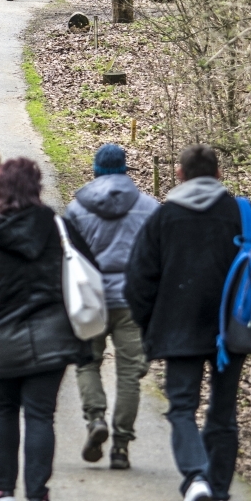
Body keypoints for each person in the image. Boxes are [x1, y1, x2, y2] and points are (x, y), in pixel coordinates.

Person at [125, 143, 251, 501]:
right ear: (218, 175)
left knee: (181, 406)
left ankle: (195, 477)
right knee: (222, 410)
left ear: (179, 175)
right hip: (233, 329)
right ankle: (218, 494)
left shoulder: (163, 219)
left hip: (177, 328)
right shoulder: (243, 214)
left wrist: (150, 327)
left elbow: (137, 282)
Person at [0, 158, 92, 501]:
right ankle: (38, 495)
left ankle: (3, 488)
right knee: (41, 415)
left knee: (1, 410)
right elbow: (91, 275)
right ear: (37, 188)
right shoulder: (60, 228)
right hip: (52, 336)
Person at [64, 143, 157, 470]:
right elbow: (155, 259)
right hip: (131, 299)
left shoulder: (76, 208)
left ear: (95, 170)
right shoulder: (149, 207)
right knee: (130, 373)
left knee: (87, 361)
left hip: (90, 297)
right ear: (124, 169)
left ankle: (95, 420)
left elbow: (68, 256)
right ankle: (120, 445)